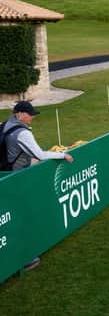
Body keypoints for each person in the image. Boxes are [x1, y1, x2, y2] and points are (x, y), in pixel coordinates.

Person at [2, 101, 73, 271]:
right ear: (19, 114)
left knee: (9, 218)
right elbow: (39, 154)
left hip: (4, 176)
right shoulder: (22, 133)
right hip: (15, 179)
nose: (32, 117)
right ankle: (24, 258)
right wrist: (62, 155)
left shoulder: (6, 124)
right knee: (20, 217)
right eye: (30, 114)